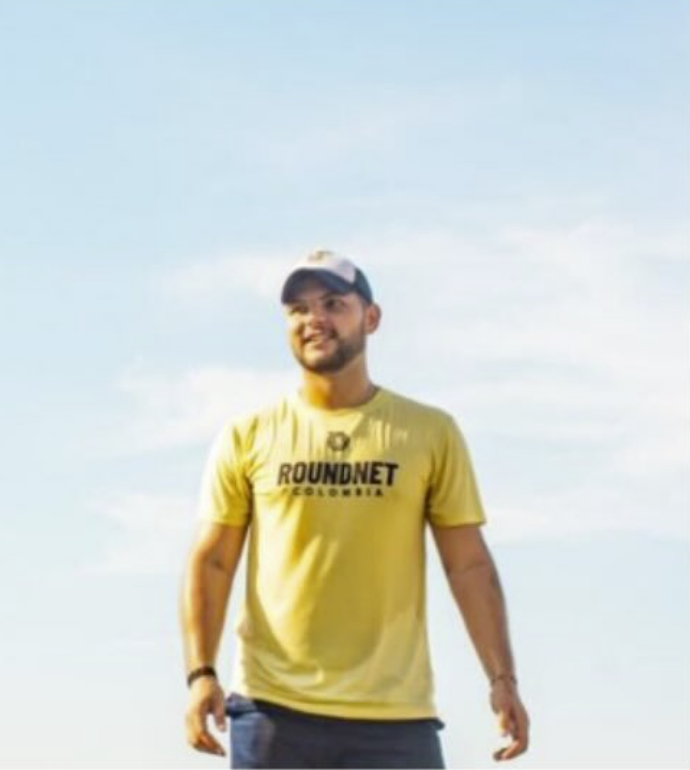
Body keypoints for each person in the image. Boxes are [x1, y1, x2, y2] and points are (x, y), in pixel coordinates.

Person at [180, 249, 530, 768]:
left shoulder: (429, 432)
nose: (314, 319)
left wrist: (502, 680)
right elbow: (211, 561)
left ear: (371, 317)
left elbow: (468, 564)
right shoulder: (247, 435)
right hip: (274, 713)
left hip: (394, 719)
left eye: (332, 303)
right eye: (298, 308)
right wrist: (201, 674)